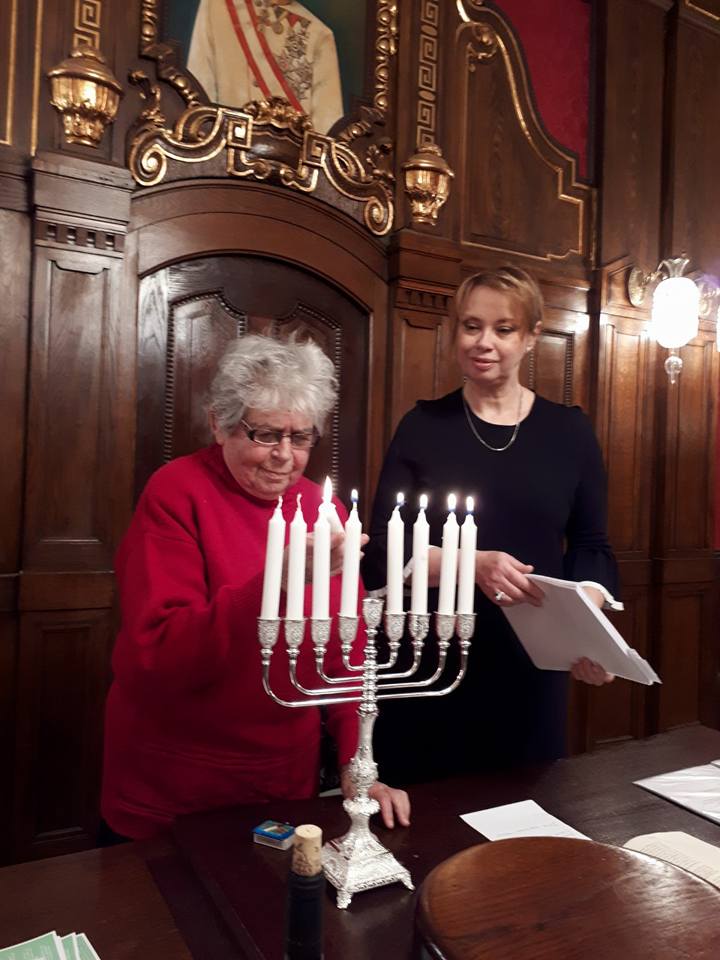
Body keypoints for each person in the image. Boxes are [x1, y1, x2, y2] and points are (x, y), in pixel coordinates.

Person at [101, 335, 409, 840]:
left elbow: (345, 656)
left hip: (283, 783)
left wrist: (358, 766)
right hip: (175, 785)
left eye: (301, 437)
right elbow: (161, 652)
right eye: (265, 434)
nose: (284, 456)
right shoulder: (177, 492)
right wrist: (276, 585)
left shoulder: (323, 510)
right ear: (219, 423)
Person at [362, 266, 617, 785]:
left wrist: (587, 625)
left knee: (527, 815)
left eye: (503, 329)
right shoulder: (422, 426)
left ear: (531, 337)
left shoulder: (569, 432)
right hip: (430, 661)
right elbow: (382, 550)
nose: (484, 342)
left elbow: (592, 545)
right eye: (471, 326)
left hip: (531, 667)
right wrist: (470, 564)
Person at [187, 0, 344, 135]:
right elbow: (199, 99)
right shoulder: (218, 7)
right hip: (223, 149)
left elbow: (325, 133)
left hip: (287, 158)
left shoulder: (319, 36)